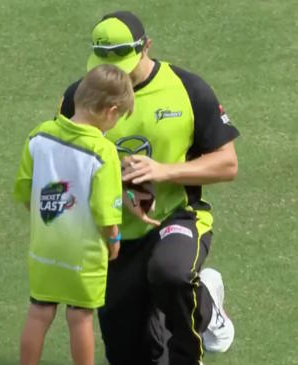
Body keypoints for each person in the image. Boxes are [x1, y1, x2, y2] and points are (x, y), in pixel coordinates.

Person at [59, 11, 239, 365]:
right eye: (105, 63)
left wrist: (164, 171)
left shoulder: (187, 89)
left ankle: (194, 337)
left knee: (169, 272)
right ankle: (196, 300)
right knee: (130, 354)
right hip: (114, 236)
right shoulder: (78, 98)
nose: (115, 74)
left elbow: (227, 163)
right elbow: (65, 166)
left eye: (123, 62)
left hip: (177, 217)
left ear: (147, 48)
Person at [15, 64, 134, 365]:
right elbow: (106, 209)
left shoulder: (39, 136)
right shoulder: (102, 152)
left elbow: (25, 188)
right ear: (111, 110)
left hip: (44, 245)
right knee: (80, 317)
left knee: (39, 311)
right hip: (84, 254)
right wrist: (115, 239)